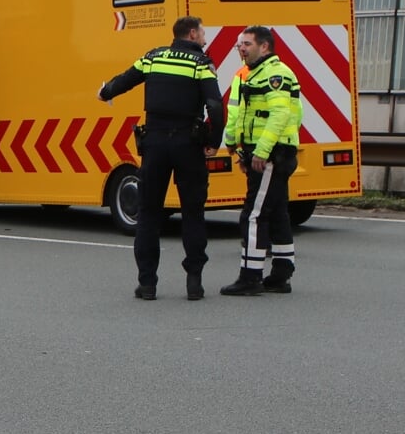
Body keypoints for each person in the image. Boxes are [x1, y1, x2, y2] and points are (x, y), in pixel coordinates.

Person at [99, 16, 226, 301]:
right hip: (188, 144)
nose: (205, 38)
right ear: (192, 34)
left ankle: (147, 284)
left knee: (148, 214)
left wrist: (105, 92)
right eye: (203, 33)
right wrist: (213, 142)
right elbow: (215, 106)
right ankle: (194, 282)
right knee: (193, 213)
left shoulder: (154, 57)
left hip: (154, 144)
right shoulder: (200, 64)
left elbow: (125, 80)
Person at [220, 25, 304, 297]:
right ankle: (281, 274)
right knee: (277, 211)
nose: (241, 49)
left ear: (264, 46)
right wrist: (234, 145)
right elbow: (240, 114)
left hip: (272, 153)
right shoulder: (252, 74)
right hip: (264, 152)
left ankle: (250, 277)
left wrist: (262, 152)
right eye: (239, 45)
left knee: (254, 215)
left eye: (247, 44)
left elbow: (279, 116)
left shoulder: (275, 73)